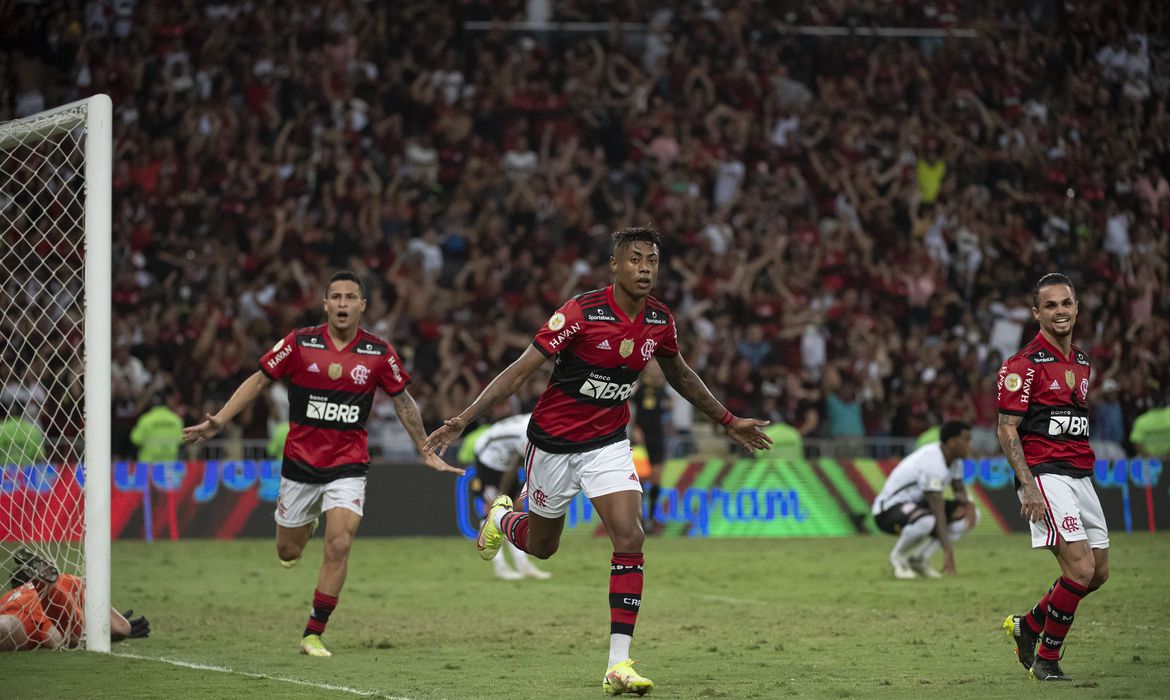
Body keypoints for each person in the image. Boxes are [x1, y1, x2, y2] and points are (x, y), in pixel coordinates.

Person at [425, 227, 773, 696]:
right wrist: (462, 420)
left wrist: (727, 420)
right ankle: (503, 518)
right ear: (614, 265)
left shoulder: (658, 320)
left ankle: (618, 664)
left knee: (630, 535)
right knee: (543, 546)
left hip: (607, 442)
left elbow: (681, 374)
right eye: (635, 259)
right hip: (552, 445)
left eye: (651, 260)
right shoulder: (580, 313)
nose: (644, 268)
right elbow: (519, 372)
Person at [182, 271, 463, 658]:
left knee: (340, 543)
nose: (343, 303)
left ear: (362, 305)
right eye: (337, 297)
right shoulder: (299, 343)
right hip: (300, 464)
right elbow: (259, 380)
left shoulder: (379, 353)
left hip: (348, 465)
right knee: (288, 552)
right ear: (326, 304)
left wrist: (424, 447)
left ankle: (313, 633)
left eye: (351, 297)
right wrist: (220, 420)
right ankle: (305, 524)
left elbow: (403, 401)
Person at [997, 273, 1108, 682]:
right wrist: (1028, 485)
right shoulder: (1023, 364)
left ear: (1076, 308)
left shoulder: (1081, 361)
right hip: (1045, 474)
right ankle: (1046, 659)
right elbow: (1007, 428)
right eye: (1050, 305)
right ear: (1036, 313)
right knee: (1079, 570)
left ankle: (1028, 624)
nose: (1060, 311)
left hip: (1080, 473)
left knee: (1097, 573)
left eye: (1066, 303)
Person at [872, 420, 978, 579]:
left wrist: (968, 503)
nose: (970, 444)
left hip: (916, 506)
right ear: (952, 442)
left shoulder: (955, 461)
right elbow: (937, 509)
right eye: (967, 440)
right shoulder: (932, 461)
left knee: (968, 516)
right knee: (927, 520)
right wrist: (947, 550)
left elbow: (958, 488)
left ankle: (919, 558)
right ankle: (897, 558)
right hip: (888, 509)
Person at [1, 547, 148, 651]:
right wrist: (103, 625)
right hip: (56, 610)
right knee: (66, 637)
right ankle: (46, 587)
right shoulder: (67, 579)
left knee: (6, 625)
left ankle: (44, 586)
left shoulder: (9, 596)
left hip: (17, 613)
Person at [470, 411, 550, 580]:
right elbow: (516, 466)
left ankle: (523, 564)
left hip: (505, 456)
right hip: (488, 457)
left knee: (512, 510)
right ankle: (500, 566)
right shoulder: (531, 433)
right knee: (494, 510)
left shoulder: (540, 421)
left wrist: (518, 496)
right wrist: (504, 495)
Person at [630, 361, 671, 532]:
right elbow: (630, 408)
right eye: (652, 367)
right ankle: (638, 518)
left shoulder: (663, 389)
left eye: (657, 367)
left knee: (656, 477)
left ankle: (652, 518)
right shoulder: (639, 387)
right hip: (641, 436)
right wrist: (634, 429)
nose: (655, 369)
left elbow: (669, 407)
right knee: (640, 478)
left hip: (657, 436)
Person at [129, 390, 185, 462]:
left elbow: (136, 439)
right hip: (169, 464)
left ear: (151, 403)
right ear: (166, 403)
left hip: (148, 463)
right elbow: (181, 440)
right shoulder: (176, 420)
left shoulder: (145, 419)